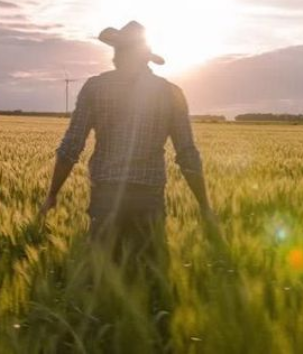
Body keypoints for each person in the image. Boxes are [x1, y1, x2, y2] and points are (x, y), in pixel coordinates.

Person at [40, 20, 217, 254]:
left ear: (120, 53)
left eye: (117, 50)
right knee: (148, 273)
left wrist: (52, 194)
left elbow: (71, 146)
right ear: (146, 57)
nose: (114, 56)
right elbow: (187, 154)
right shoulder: (171, 93)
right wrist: (204, 205)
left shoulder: (95, 88)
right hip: (149, 198)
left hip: (106, 197)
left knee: (101, 273)